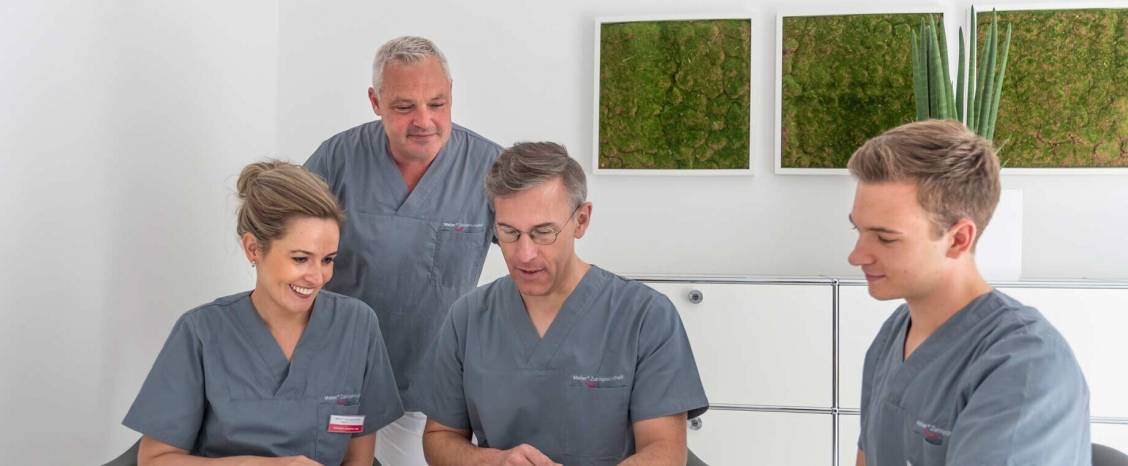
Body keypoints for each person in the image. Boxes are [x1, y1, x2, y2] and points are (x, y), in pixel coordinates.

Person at [421, 142, 708, 466]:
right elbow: (439, 437)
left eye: (543, 232)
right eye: (509, 232)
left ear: (581, 220)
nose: (524, 254)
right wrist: (494, 462)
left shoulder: (646, 317)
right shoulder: (468, 318)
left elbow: (665, 451)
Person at [123, 161, 403, 465]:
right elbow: (155, 459)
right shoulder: (202, 332)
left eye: (328, 260)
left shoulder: (357, 326)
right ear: (253, 248)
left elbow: (358, 459)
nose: (317, 277)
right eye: (300, 258)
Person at [303, 36, 501, 465]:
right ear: (375, 102)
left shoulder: (488, 168)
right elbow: (284, 250)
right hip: (340, 374)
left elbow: (536, 252)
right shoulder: (337, 160)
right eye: (404, 106)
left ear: (452, 94)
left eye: (437, 103)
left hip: (432, 389)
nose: (424, 120)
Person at [847, 120, 1090, 466]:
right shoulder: (894, 333)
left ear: (958, 239)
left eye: (885, 238)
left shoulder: (1027, 365)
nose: (856, 256)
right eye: (858, 230)